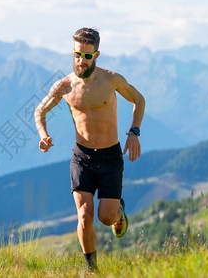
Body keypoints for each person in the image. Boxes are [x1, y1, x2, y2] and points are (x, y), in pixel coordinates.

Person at [34, 28, 145, 273]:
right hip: (82, 157)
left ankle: (118, 213)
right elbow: (39, 112)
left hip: (110, 157)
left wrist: (134, 132)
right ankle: (92, 270)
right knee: (84, 215)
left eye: (86, 56)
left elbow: (139, 100)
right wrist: (43, 136)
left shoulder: (112, 80)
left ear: (96, 55)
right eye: (76, 54)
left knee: (105, 217)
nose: (80, 61)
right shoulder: (64, 86)